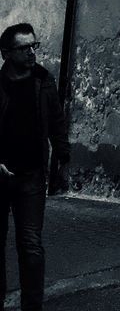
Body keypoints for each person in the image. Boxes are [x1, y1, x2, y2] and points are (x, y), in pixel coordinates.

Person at [0, 23, 69, 311]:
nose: (31, 52)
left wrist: (63, 159)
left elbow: (57, 122)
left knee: (30, 245)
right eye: (24, 47)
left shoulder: (43, 80)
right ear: (6, 53)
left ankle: (32, 306)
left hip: (31, 176)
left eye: (34, 46)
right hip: (0, 177)